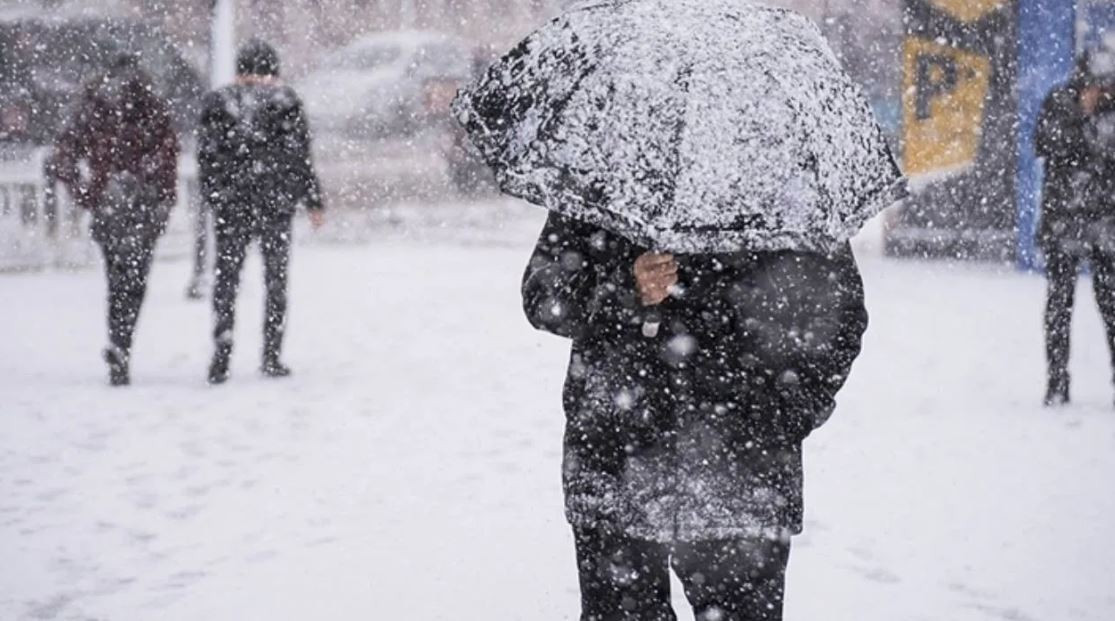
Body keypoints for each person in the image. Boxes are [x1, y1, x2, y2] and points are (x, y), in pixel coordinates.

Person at [522, 214, 868, 620]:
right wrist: (624, 285)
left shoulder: (785, 188)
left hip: (742, 477)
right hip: (617, 464)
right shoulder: (606, 176)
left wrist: (783, 415)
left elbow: (839, 315)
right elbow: (544, 298)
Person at [198, 39, 325, 385]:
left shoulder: (218, 102)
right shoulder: (285, 102)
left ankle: (222, 348)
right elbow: (300, 157)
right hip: (275, 205)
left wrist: (216, 197)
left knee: (227, 278)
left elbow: (207, 158)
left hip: (233, 206)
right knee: (276, 280)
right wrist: (312, 199)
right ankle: (271, 354)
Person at [51, 52, 179, 386]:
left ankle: (118, 341)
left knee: (117, 280)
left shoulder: (93, 108)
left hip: (110, 205)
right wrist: (164, 199)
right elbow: (168, 160)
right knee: (135, 281)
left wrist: (88, 193)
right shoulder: (151, 108)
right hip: (143, 205)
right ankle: (123, 342)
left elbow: (63, 157)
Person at [1036, 50, 1115, 406]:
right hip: (1064, 221)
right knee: (1059, 306)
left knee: (1111, 305)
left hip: (1106, 222)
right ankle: (1057, 381)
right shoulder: (1059, 103)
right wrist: (1082, 120)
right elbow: (1047, 144)